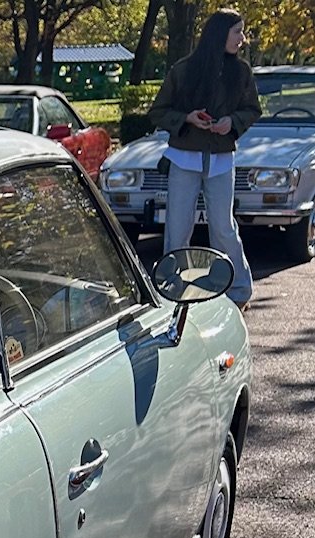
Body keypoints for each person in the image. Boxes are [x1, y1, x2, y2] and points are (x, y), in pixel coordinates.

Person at [149, 8, 261, 311]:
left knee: (223, 226)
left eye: (242, 31)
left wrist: (232, 122)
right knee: (177, 226)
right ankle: (170, 288)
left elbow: (252, 110)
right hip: (184, 158)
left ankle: (239, 291)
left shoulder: (242, 72)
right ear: (219, 33)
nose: (242, 38)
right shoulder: (183, 70)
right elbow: (158, 111)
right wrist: (187, 117)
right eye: (237, 31)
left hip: (222, 159)